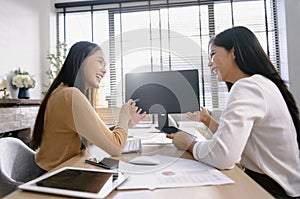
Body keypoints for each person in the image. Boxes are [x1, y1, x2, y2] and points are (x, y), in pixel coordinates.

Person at [167, 26, 300, 198]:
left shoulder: (247, 86)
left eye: (213, 54)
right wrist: (208, 121)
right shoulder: (261, 84)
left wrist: (189, 143)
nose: (210, 63)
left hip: (274, 190)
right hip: (281, 186)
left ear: (234, 52)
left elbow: (223, 156)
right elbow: (238, 139)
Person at [31, 41, 146, 172]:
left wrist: (126, 124)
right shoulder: (70, 96)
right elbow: (116, 148)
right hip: (55, 176)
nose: (104, 70)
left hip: (61, 170)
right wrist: (123, 118)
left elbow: (94, 135)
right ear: (81, 60)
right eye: (100, 61)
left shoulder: (64, 92)